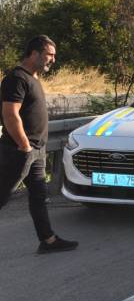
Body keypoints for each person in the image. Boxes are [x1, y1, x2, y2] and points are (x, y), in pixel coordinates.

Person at [0, 35, 78, 253]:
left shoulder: (32, 78)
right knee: (2, 195)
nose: (52, 60)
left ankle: (48, 240)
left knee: (38, 197)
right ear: (34, 54)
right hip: (19, 150)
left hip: (36, 151)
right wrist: (24, 144)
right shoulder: (16, 78)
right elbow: (10, 114)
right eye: (49, 55)